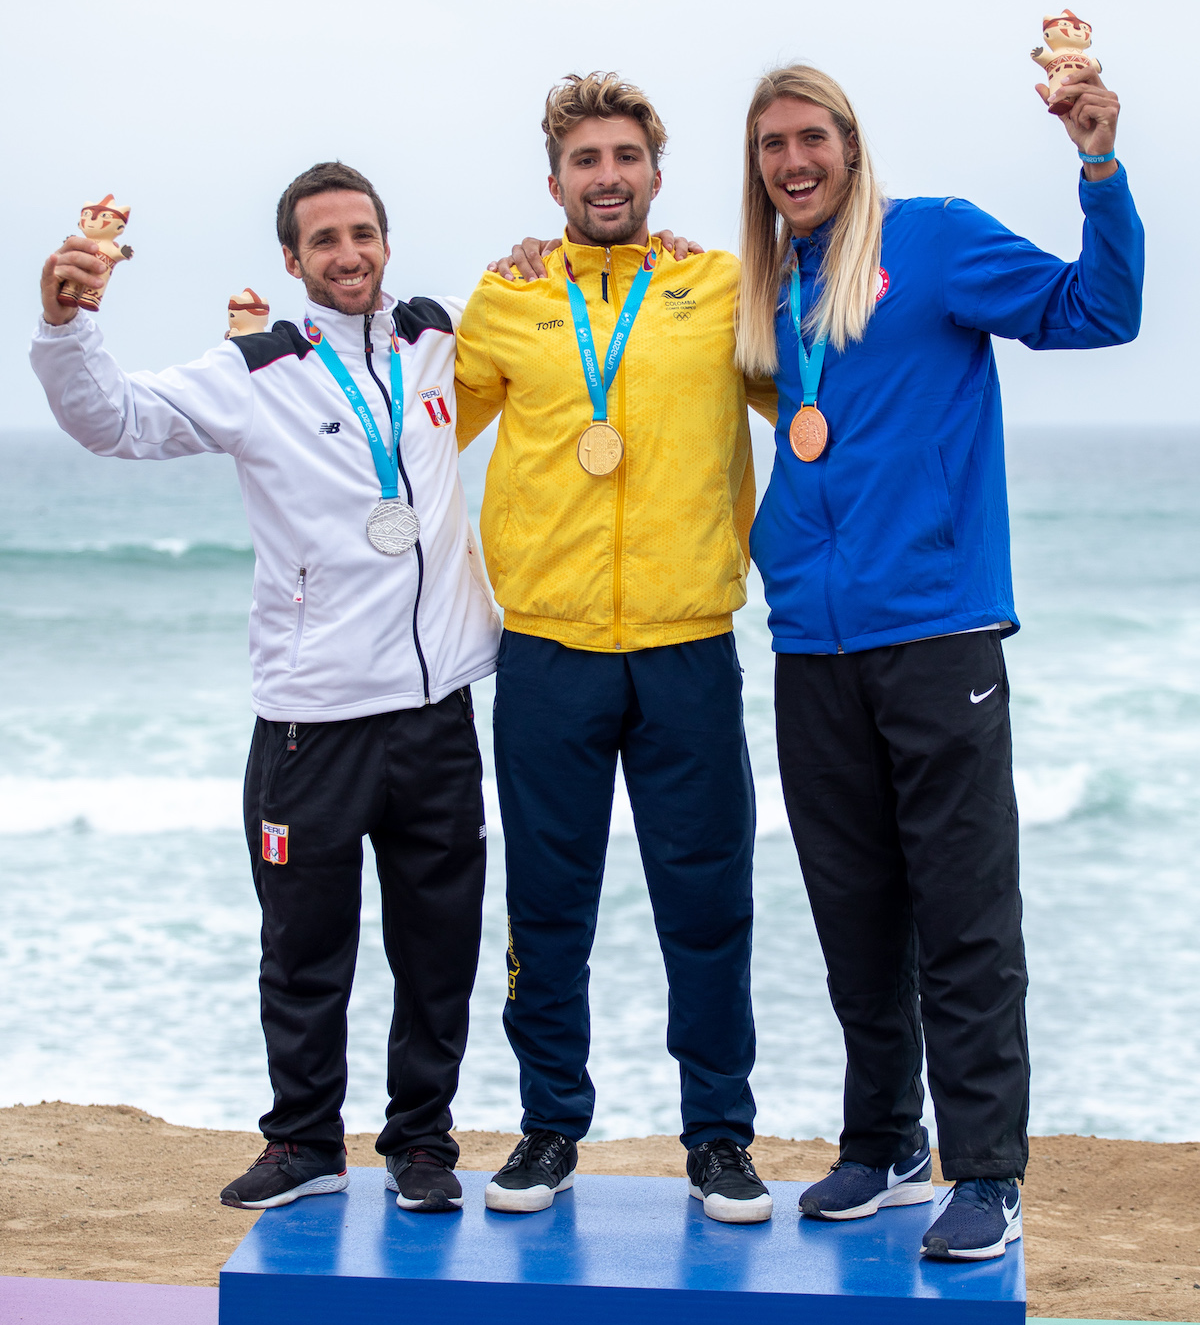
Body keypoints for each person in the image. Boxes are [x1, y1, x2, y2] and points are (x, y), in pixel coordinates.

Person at [31, 161, 501, 1213]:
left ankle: (421, 1145)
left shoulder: (440, 338)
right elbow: (112, 421)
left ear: (387, 242)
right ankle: (304, 1144)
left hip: (437, 715)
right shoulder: (254, 371)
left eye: (363, 234)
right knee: (303, 951)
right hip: (312, 724)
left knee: (439, 950)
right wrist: (67, 328)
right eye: (324, 240)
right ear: (292, 261)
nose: (349, 255)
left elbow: (546, 336)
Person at [737, 63, 1143, 1259]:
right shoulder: (768, 289)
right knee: (852, 910)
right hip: (810, 642)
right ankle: (884, 1142)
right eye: (771, 147)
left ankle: (988, 1171)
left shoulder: (938, 241)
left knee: (963, 914)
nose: (793, 163)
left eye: (812, 138)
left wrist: (1099, 167)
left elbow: (1096, 310)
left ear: (852, 148)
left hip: (936, 631)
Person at [454, 72, 779, 1223]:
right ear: (555, 183)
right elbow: (408, 423)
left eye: (625, 158)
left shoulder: (720, 285)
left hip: (691, 644)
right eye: (585, 162)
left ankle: (721, 1140)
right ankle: (548, 1130)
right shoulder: (506, 299)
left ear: (655, 171)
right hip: (549, 649)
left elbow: (817, 391)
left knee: (708, 900)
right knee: (548, 904)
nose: (607, 178)